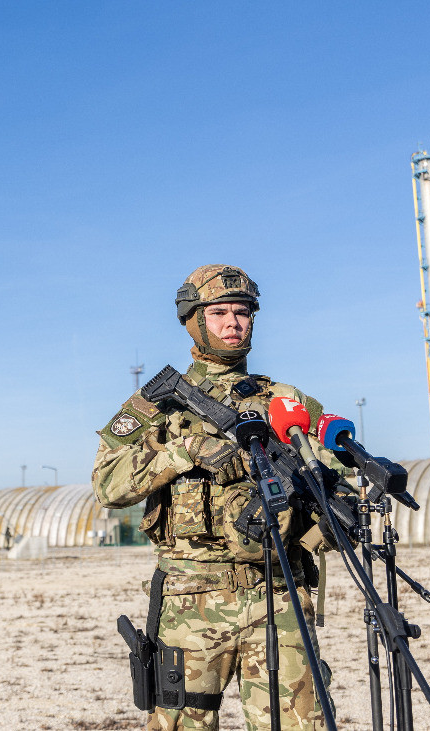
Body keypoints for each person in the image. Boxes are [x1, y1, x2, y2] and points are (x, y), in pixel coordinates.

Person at [92, 264, 343, 731]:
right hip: (192, 599)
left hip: (279, 592)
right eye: (219, 313)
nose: (233, 323)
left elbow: (334, 469)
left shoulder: (285, 400)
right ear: (194, 320)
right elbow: (107, 484)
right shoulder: (157, 407)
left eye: (243, 312)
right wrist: (184, 451)